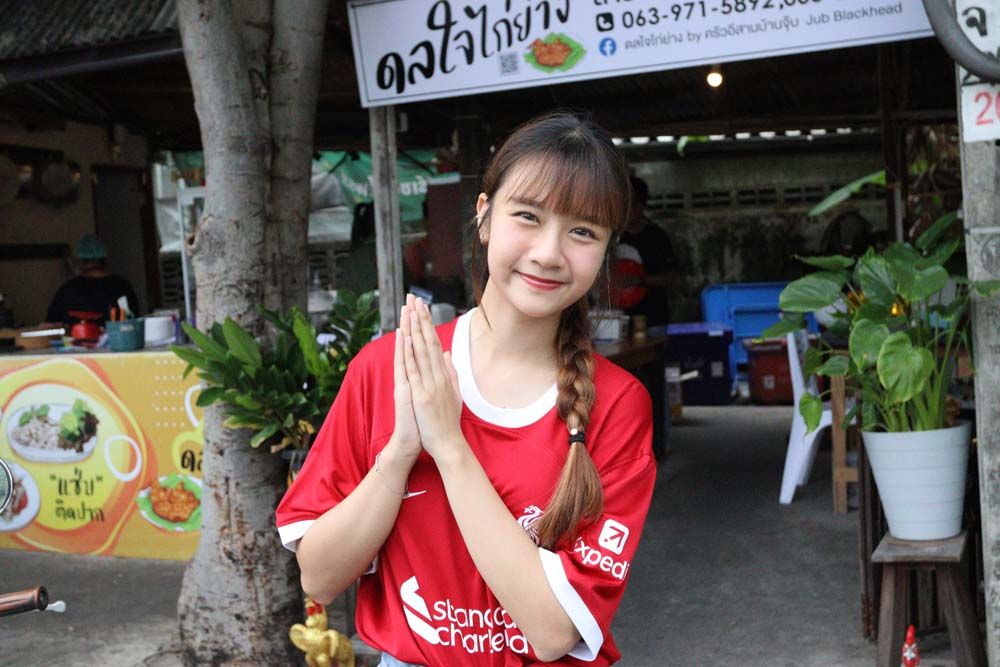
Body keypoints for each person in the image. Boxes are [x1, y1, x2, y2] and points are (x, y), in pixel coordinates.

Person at [275, 113, 657, 666]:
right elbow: (319, 577)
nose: (549, 252)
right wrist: (400, 453)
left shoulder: (618, 403)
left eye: (582, 231)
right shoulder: (389, 368)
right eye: (528, 216)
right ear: (484, 216)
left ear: (603, 253)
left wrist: (450, 448)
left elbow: (553, 634)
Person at [615, 175, 677, 328]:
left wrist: (638, 280)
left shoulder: (656, 237)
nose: (621, 211)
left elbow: (671, 278)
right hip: (618, 320)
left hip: (652, 320)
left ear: (639, 207)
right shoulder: (613, 235)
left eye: (626, 206)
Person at [46, 234, 141, 326]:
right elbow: (135, 323)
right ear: (105, 260)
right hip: (117, 337)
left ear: (79, 261)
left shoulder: (67, 290)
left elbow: (49, 326)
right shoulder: (121, 286)